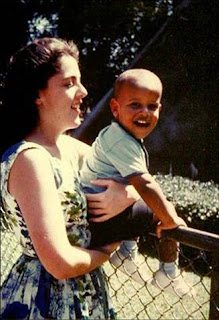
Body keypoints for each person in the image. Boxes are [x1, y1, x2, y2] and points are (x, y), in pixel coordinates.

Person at [0, 37, 140, 319]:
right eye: (69, 83)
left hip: (87, 293)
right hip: (44, 299)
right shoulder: (31, 159)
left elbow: (140, 178)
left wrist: (126, 194)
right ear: (37, 94)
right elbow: (60, 263)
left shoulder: (70, 148)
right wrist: (107, 249)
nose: (83, 91)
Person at [80, 68, 195, 297]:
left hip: (98, 214)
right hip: (99, 217)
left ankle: (126, 250)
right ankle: (167, 274)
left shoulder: (119, 135)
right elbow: (146, 184)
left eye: (152, 106)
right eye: (135, 105)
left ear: (159, 110)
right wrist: (171, 220)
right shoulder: (120, 141)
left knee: (136, 198)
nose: (145, 112)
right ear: (115, 108)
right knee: (164, 209)